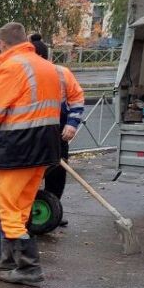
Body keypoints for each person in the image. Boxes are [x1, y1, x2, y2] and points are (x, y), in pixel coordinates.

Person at [0, 22, 63, 286]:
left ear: (2, 44)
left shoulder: (11, 67)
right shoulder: (46, 66)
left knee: (5, 207)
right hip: (45, 146)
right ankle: (8, 259)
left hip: (19, 146)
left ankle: (29, 267)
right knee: (20, 206)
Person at [30, 36, 85, 204]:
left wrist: (71, 124)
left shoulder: (61, 73)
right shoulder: (22, 73)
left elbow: (76, 99)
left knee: (57, 171)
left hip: (57, 131)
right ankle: (27, 213)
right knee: (29, 174)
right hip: (30, 132)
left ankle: (52, 209)